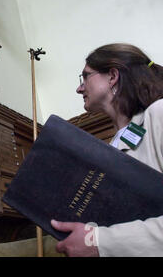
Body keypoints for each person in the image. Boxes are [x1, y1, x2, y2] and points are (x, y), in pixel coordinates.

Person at [51, 43, 163, 257]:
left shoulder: (160, 113)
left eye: (85, 76)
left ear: (112, 76)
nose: (79, 88)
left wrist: (100, 242)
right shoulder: (112, 145)